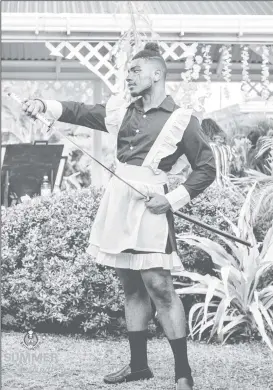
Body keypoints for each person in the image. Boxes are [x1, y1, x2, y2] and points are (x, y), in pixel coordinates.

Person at [23, 42, 216, 390]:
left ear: (157, 74)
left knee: (160, 286)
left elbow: (206, 169)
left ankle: (183, 373)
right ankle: (138, 366)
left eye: (135, 71)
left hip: (152, 205)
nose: (128, 76)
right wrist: (43, 105)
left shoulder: (183, 120)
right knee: (130, 287)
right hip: (118, 202)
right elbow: (81, 111)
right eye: (127, 71)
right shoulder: (122, 110)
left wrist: (171, 199)